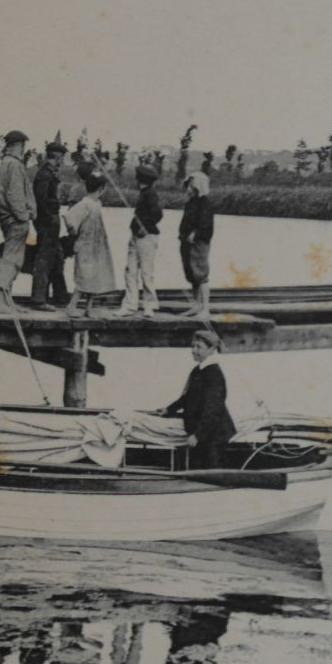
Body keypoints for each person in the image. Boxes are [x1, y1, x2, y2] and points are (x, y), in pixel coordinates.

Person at [162, 329, 238, 470]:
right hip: (204, 432)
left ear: (211, 349)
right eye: (193, 346)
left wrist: (197, 435)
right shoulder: (198, 370)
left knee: (211, 473)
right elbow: (187, 398)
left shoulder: (213, 374)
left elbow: (213, 409)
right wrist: (168, 409)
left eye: (198, 347)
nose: (193, 350)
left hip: (214, 434)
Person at [0, 130, 34, 313]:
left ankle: (6, 300)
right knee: (11, 259)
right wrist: (23, 215)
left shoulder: (7, 163)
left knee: (14, 258)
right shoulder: (13, 164)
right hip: (15, 218)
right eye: (22, 145)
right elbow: (14, 194)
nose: (23, 149)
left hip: (10, 217)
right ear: (15, 145)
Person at [64, 170, 116, 315]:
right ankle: (71, 307)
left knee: (96, 275)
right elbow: (69, 217)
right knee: (85, 276)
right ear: (101, 188)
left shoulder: (97, 203)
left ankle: (89, 307)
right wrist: (73, 232)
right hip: (86, 246)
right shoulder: (85, 203)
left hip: (97, 246)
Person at [28, 138, 69, 311]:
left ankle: (61, 296)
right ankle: (38, 299)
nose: (63, 162)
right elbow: (40, 200)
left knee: (57, 256)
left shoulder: (48, 173)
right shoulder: (45, 174)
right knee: (44, 258)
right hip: (48, 222)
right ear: (57, 157)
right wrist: (48, 219)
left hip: (51, 221)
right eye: (62, 158)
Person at [119, 162, 162, 317]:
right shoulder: (145, 193)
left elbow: (158, 214)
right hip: (136, 236)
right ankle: (130, 305)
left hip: (147, 237)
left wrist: (145, 226)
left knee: (146, 271)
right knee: (130, 270)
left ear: (140, 179)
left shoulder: (150, 193)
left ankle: (149, 305)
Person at [179, 171, 215, 317]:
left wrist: (196, 233)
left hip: (198, 243)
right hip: (186, 242)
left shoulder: (205, 203)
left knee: (201, 274)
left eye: (191, 186)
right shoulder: (191, 202)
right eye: (188, 185)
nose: (188, 188)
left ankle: (205, 308)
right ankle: (196, 305)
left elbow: (205, 224)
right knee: (192, 274)